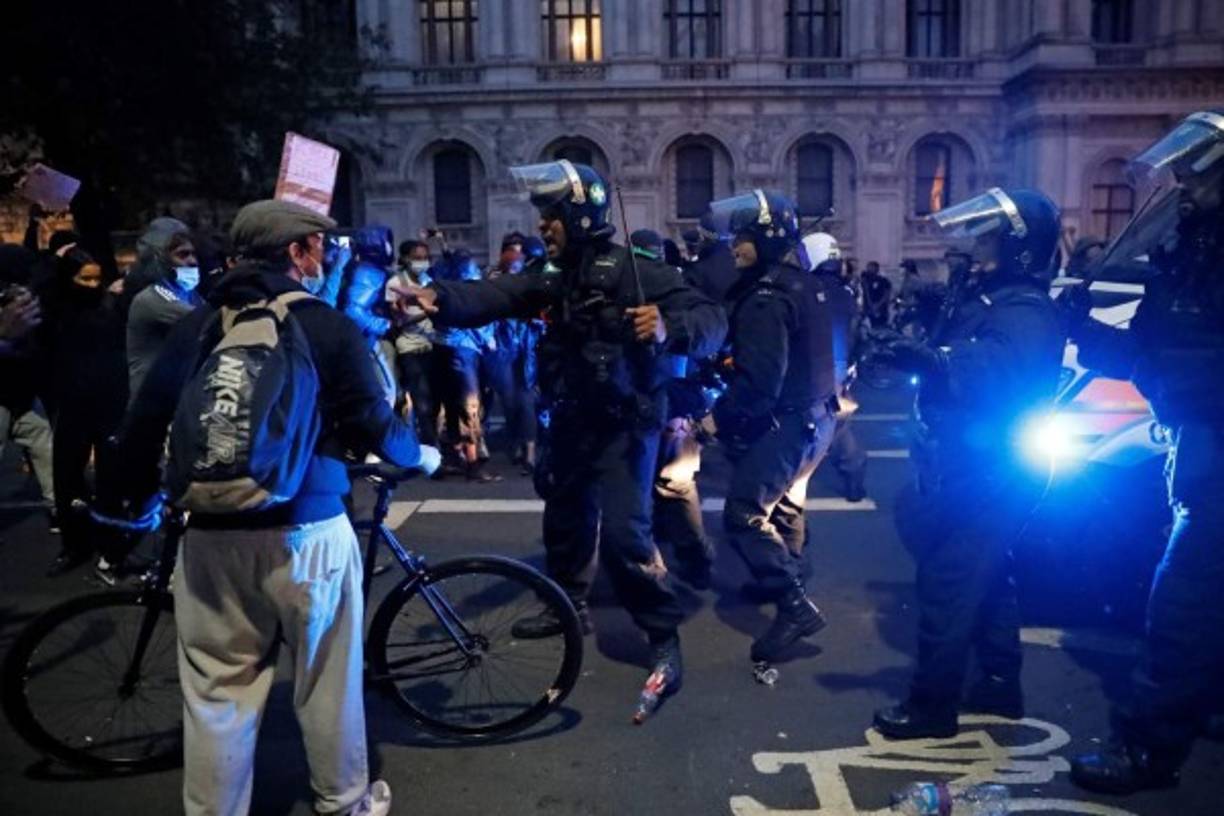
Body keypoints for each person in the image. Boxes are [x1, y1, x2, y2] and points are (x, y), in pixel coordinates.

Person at [104, 199, 436, 816]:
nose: (324, 255)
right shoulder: (325, 325)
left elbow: (146, 418)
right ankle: (345, 802)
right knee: (327, 681)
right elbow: (374, 421)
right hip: (310, 528)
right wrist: (419, 455)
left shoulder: (199, 323)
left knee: (216, 694)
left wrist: (133, 500)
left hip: (210, 533)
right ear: (296, 253)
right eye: (318, 245)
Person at [391, 160, 726, 705]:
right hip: (572, 420)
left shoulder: (634, 270)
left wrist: (671, 327)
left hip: (625, 425)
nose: (543, 225)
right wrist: (440, 298)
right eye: (543, 216)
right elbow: (501, 294)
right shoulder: (553, 274)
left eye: (552, 215)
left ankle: (663, 635)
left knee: (626, 538)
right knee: (566, 519)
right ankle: (567, 605)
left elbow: (711, 318)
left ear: (581, 214)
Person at [1064, 111, 1224, 795]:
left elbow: (1189, 359)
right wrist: (1093, 334)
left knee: (1183, 601)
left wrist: (1136, 357)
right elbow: (1156, 349)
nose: (1183, 183)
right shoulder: (1193, 248)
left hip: (1214, 443)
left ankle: (1150, 750)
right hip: (1199, 437)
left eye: (1196, 173)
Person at [870, 187, 1065, 740]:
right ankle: (1000, 683)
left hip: (995, 467)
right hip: (977, 460)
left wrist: (935, 359)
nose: (978, 244)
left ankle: (931, 706)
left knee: (947, 579)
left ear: (1018, 247)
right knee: (989, 572)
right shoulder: (993, 299)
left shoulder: (1025, 310)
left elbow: (993, 369)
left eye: (990, 236)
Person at [705, 190, 838, 664]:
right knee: (781, 506)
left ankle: (793, 605)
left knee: (743, 511)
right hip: (817, 419)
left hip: (790, 422)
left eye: (742, 238)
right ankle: (786, 575)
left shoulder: (766, 297)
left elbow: (760, 382)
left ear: (766, 238)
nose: (734, 247)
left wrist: (717, 419)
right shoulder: (805, 283)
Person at [46, 248, 130, 582]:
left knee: (111, 483)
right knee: (68, 480)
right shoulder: (56, 311)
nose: (93, 286)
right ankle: (75, 545)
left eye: (97, 279)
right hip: (72, 407)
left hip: (110, 406)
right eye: (85, 279)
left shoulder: (113, 309)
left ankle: (112, 549)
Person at [803, 233, 867, 502]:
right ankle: (853, 469)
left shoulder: (809, 290)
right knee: (836, 421)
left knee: (817, 421)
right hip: (843, 365)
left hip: (817, 364)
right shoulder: (846, 292)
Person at [429, 250, 501, 481]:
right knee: (468, 405)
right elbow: (478, 322)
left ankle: (452, 455)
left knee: (449, 404)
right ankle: (472, 462)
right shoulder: (466, 294)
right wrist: (487, 341)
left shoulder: (440, 284)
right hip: (463, 349)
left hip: (442, 346)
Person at [125, 229, 203, 402]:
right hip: (149, 399)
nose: (193, 261)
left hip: (173, 393)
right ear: (162, 260)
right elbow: (204, 321)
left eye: (193, 254)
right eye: (182, 255)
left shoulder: (189, 294)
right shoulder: (153, 297)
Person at [338, 225, 398, 407]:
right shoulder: (368, 273)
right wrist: (385, 325)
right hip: (365, 341)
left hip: (355, 340)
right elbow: (353, 311)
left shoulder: (359, 269)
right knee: (386, 394)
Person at [862, 260, 892, 328]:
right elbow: (865, 294)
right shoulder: (865, 281)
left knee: (880, 327)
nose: (868, 270)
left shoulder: (883, 280)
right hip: (868, 310)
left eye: (871, 268)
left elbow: (887, 294)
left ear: (876, 269)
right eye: (868, 267)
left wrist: (878, 305)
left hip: (880, 310)